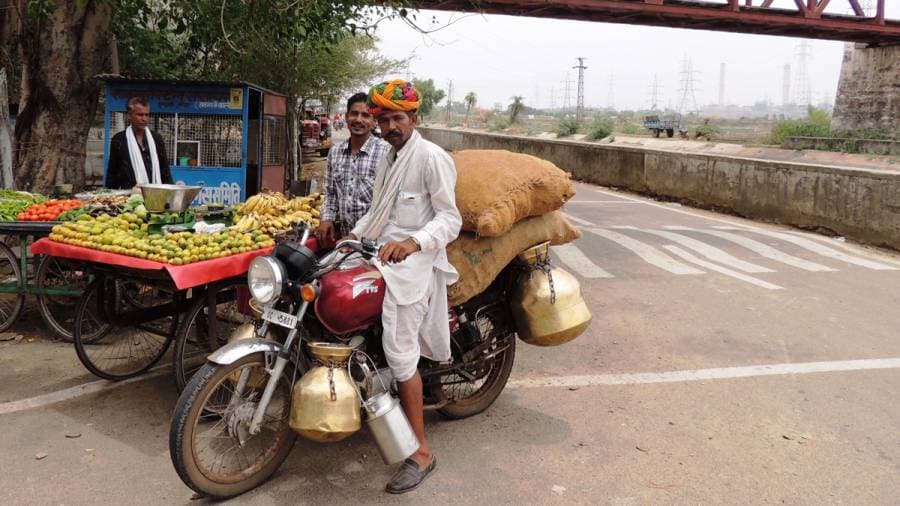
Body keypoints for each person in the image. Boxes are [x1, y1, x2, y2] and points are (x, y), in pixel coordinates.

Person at [348, 80, 462, 494]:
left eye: (399, 118)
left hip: (416, 262)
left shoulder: (431, 158)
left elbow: (450, 220)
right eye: (385, 119)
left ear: (414, 119)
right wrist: (350, 238)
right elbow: (377, 212)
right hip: (382, 252)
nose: (391, 126)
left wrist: (413, 242)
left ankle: (421, 454)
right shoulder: (389, 158)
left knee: (400, 354)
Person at [316, 93, 390, 248]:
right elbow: (330, 194)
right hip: (344, 241)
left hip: (376, 243)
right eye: (354, 114)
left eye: (366, 115)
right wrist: (327, 218)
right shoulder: (335, 152)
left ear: (374, 120)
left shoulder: (386, 153)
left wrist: (356, 234)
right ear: (346, 116)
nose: (359, 120)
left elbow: (386, 205)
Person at [106, 97, 173, 189]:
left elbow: (164, 168)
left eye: (147, 115)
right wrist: (110, 195)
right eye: (140, 115)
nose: (144, 119)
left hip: (155, 193)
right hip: (129, 196)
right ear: (129, 115)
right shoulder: (119, 140)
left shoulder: (156, 139)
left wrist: (170, 193)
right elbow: (112, 171)